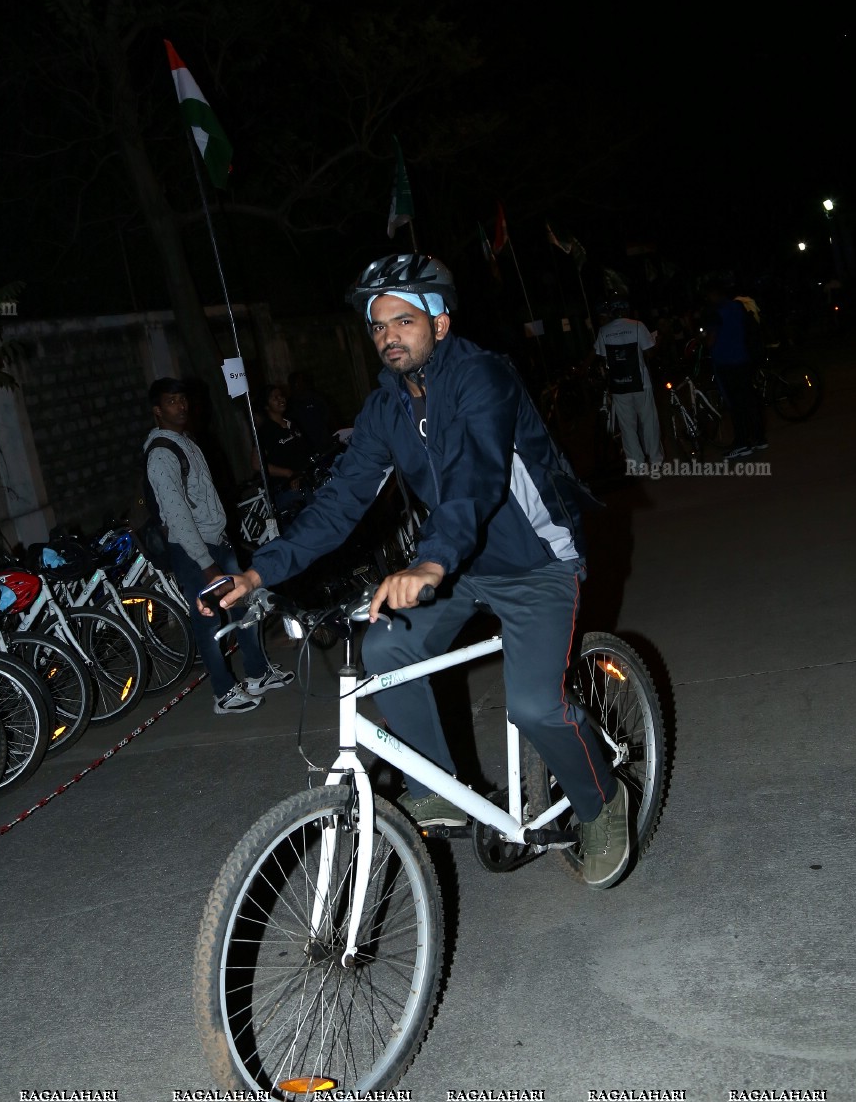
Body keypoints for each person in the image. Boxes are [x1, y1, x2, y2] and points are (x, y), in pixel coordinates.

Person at [207, 255, 630, 889]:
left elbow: (476, 476)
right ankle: (441, 784)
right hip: (457, 566)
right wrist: (258, 574)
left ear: (440, 322)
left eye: (403, 321)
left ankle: (603, 804)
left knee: (538, 707)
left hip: (533, 562)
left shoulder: (482, 378)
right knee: (385, 643)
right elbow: (341, 502)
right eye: (377, 327)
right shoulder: (385, 408)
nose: (388, 337)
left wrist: (430, 559)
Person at [145, 377, 293, 715]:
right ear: (157, 410)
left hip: (217, 542)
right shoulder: (161, 455)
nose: (180, 406)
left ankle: (256, 673)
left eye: (183, 399)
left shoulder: (185, 441)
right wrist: (205, 563)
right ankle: (223, 693)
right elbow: (178, 515)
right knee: (209, 623)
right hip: (194, 551)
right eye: (171, 401)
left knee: (245, 606)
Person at [593, 298, 664, 473]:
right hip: (641, 383)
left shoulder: (604, 331)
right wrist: (659, 341)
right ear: (626, 310)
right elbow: (649, 353)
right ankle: (655, 460)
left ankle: (638, 465)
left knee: (627, 426)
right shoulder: (638, 326)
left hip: (619, 385)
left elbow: (603, 358)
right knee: (649, 422)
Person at [703, 282, 767, 459]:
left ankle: (742, 443)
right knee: (749, 399)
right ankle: (759, 438)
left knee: (735, 404)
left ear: (712, 295)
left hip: (727, 363)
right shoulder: (737, 307)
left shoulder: (716, 312)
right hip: (744, 359)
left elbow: (711, 340)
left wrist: (702, 340)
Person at [254, 384, 318, 519]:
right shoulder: (266, 431)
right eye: (274, 398)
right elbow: (256, 463)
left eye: (281, 396)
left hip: (305, 482)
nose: (280, 399)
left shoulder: (292, 424)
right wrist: (288, 473)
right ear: (266, 405)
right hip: (287, 490)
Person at [287, 370, 338, 455]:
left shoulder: (317, 398)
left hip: (324, 442)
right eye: (295, 383)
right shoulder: (289, 405)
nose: (298, 385)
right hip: (307, 447)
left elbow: (330, 417)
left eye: (300, 381)